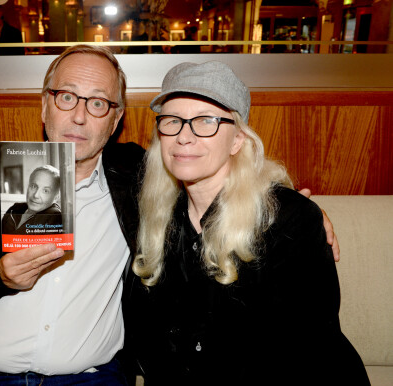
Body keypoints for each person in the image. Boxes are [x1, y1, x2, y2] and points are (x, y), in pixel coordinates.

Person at [0, 45, 339, 385]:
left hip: (91, 380)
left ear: (116, 119)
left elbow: (222, 177)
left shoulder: (135, 183)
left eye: (98, 103)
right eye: (66, 97)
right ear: (45, 105)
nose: (79, 115)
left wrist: (289, 205)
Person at [124, 61, 369, 385]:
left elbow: (305, 353)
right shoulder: (156, 217)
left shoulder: (290, 223)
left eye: (205, 121)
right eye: (172, 121)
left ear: (237, 139)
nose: (184, 136)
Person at [2, 165, 63, 235]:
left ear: (56, 197)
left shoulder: (54, 216)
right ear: (28, 187)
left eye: (46, 191)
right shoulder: (14, 209)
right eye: (34, 186)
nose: (36, 195)